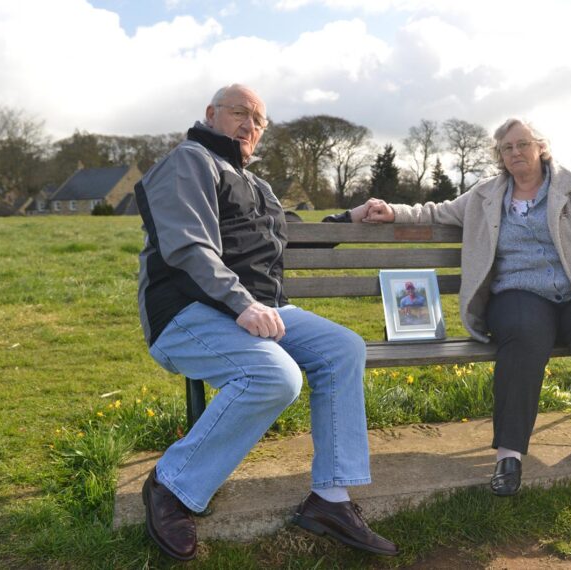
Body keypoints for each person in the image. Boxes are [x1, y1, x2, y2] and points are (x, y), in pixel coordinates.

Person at [134, 84, 398, 560]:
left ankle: (331, 499)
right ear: (211, 113)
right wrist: (242, 305)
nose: (250, 126)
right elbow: (188, 248)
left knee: (343, 348)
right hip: (189, 311)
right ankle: (171, 486)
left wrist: (349, 217)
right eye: (241, 113)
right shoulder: (189, 161)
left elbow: (287, 237)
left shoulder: (256, 183)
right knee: (274, 375)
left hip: (254, 309)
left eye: (258, 120)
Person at [350, 118, 571, 497]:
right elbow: (436, 212)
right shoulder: (486, 195)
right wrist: (392, 212)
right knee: (523, 338)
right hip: (518, 293)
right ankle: (510, 455)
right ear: (500, 157)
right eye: (507, 148)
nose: (515, 153)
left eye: (522, 144)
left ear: (541, 147)